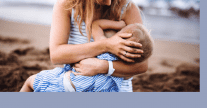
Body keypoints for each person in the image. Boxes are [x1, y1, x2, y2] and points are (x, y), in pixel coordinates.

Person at [20, 0, 149, 92]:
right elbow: (56, 55)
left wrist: (104, 66)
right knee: (32, 81)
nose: (109, 2)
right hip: (75, 82)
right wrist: (107, 45)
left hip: (115, 88)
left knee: (32, 81)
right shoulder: (67, 6)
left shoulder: (127, 9)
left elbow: (142, 65)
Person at [20, 19, 153, 92]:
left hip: (67, 85)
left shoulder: (105, 45)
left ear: (121, 37)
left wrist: (119, 24)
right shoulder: (125, 70)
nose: (117, 31)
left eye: (121, 31)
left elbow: (96, 24)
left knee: (30, 81)